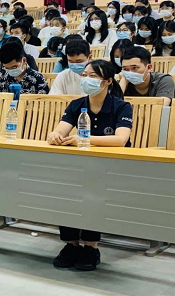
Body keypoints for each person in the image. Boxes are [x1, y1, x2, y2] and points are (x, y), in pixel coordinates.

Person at [48, 60, 132, 271]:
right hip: (81, 166)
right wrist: (54, 135)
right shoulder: (76, 105)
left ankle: (91, 247)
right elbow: (59, 131)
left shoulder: (121, 106)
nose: (86, 79)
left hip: (113, 167)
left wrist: (84, 139)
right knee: (65, 188)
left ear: (107, 81)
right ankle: (71, 244)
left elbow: (121, 140)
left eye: (93, 76)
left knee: (94, 191)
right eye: (84, 75)